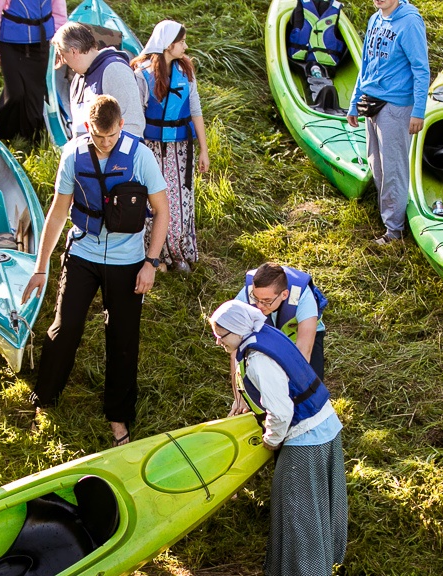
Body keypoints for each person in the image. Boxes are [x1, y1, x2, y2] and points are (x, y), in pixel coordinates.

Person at [21, 95, 169, 447]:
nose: (105, 143)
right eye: (98, 137)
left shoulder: (140, 156)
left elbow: (162, 211)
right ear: (88, 128)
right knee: (65, 328)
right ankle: (45, 398)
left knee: (122, 338)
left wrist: (150, 263)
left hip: (127, 259)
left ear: (121, 126)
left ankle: (118, 416)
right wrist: (41, 267)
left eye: (111, 136)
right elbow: (59, 212)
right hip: (83, 253)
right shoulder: (73, 155)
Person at [209, 300, 347, 576]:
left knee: (298, 511)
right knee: (315, 505)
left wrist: (271, 440)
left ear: (237, 329)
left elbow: (282, 412)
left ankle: (307, 571)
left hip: (306, 438)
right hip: (325, 425)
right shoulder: (264, 333)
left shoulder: (258, 360)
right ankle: (321, 562)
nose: (218, 341)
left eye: (220, 335)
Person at [346, 0, 429, 245]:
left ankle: (394, 232)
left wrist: (418, 111)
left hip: (396, 107)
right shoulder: (375, 18)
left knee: (394, 169)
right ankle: (389, 216)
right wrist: (355, 100)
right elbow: (366, 64)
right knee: (377, 164)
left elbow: (421, 69)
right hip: (371, 102)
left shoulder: (410, 22)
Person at [131, 20, 210, 273]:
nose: (185, 47)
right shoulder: (142, 75)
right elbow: (136, 116)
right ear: (168, 45)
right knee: (153, 200)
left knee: (180, 200)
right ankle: (155, 256)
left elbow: (195, 109)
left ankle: (177, 253)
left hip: (180, 148)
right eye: (182, 42)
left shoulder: (185, 71)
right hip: (151, 148)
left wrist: (204, 150)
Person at [228, 263, 328, 416]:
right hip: (269, 333)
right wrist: (239, 395)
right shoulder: (245, 296)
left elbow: (304, 352)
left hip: (299, 336)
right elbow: (235, 351)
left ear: (284, 295)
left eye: (266, 301)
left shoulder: (304, 298)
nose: (259, 306)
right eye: (256, 298)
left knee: (311, 389)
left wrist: (288, 392)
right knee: (259, 382)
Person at [0, 0, 67, 144]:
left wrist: (60, 47)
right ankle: (4, 132)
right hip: (10, 44)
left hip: (41, 43)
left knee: (35, 95)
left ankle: (30, 138)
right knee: (15, 93)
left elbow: (60, 15)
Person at [51, 22, 145, 138]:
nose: (64, 62)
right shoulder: (77, 80)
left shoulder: (115, 69)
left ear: (73, 51)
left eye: (62, 56)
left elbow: (133, 124)